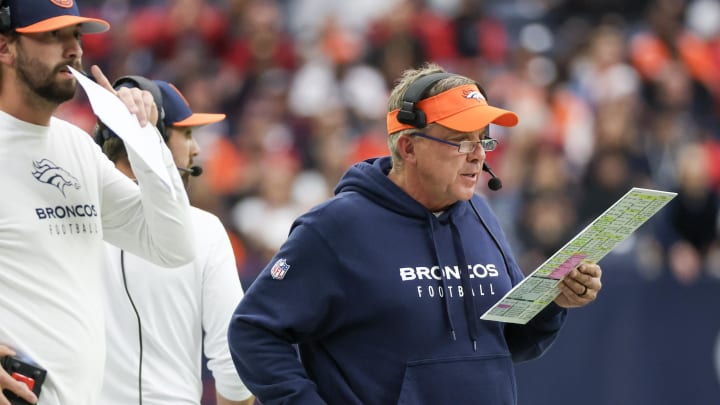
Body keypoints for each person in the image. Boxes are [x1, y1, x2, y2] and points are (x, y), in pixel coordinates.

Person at [227, 62, 604, 405]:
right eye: (460, 140)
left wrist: (555, 302)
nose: (478, 155)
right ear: (408, 147)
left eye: (483, 139)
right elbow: (253, 332)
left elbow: (509, 344)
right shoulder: (335, 227)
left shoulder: (480, 214)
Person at [0, 1, 195, 405]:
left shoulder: (76, 148)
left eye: (76, 35)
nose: (73, 49)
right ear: (5, 48)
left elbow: (173, 248)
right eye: (52, 35)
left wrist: (144, 140)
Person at [95, 77, 255, 405]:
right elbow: (234, 364)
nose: (196, 149)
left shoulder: (72, 219)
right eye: (186, 134)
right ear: (153, 135)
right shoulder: (205, 230)